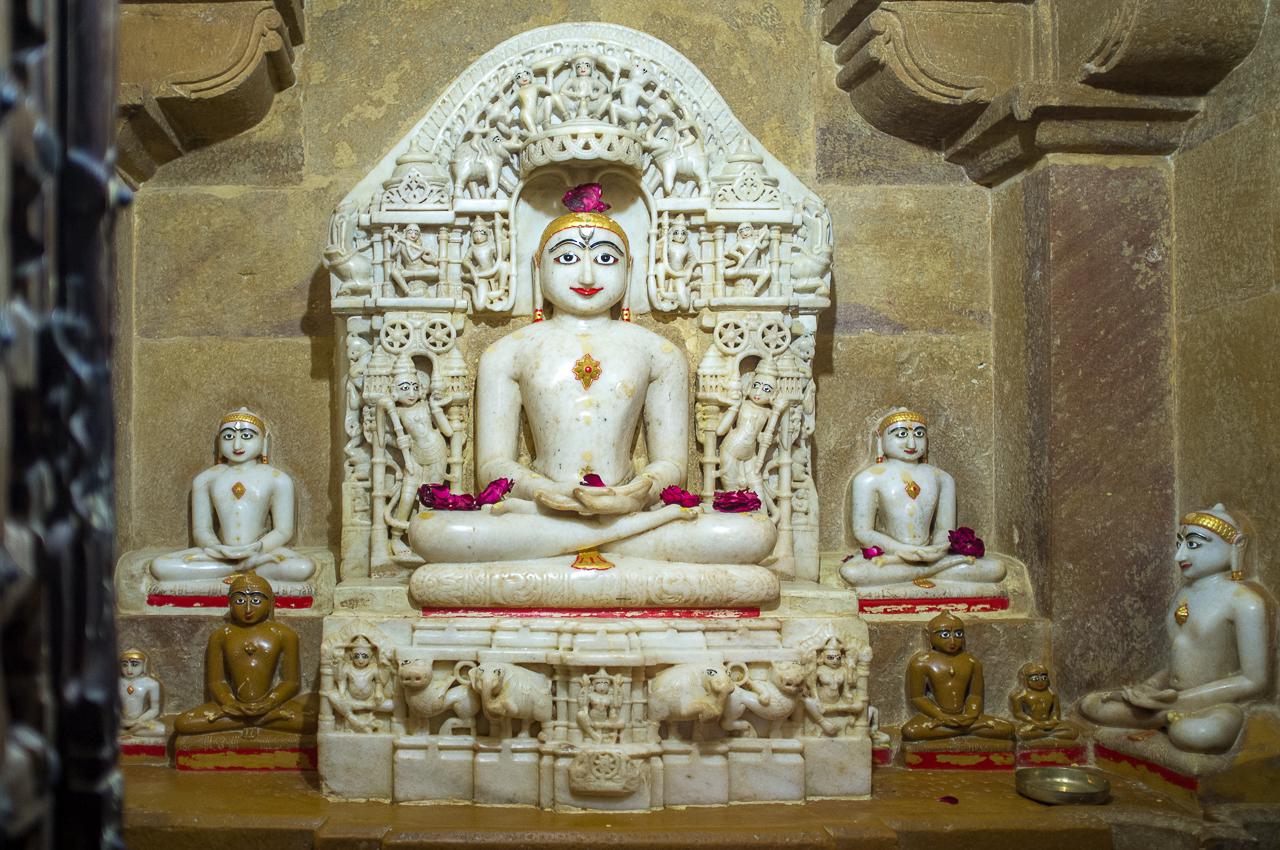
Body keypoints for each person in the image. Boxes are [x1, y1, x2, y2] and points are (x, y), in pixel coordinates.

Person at [408, 184, 775, 567]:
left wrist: (637, 492)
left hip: (630, 513)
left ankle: (584, 540)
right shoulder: (507, 353)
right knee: (433, 531)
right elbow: (493, 469)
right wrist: (547, 494)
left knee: (751, 533)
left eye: (605, 258)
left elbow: (671, 466)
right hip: (541, 512)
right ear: (539, 267)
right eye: (567, 257)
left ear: (628, 269)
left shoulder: (659, 353)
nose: (586, 274)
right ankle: (604, 540)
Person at [1078, 504, 1271, 753]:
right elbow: (1183, 658)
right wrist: (1150, 687)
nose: (1179, 556)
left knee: (1198, 733)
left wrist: (1177, 702)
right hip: (1169, 695)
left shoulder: (1246, 602)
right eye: (1179, 544)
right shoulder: (1185, 592)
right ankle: (1164, 718)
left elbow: (1254, 681)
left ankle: (1165, 717)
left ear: (1237, 545)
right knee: (1091, 704)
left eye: (1193, 544)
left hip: (1219, 703)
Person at [840, 409, 1005, 589]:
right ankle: (933, 570)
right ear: (880, 438)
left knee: (997, 568)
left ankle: (921, 571)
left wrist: (936, 551)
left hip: (929, 557)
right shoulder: (868, 479)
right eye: (901, 434)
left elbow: (945, 530)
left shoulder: (942, 478)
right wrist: (904, 551)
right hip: (893, 555)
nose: (911, 443)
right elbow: (863, 532)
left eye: (919, 434)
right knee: (852, 572)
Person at [149, 409, 315, 584]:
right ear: (219, 441)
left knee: (302, 567)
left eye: (247, 436)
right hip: (220, 555)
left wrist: (258, 548)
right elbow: (202, 530)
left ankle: (235, 569)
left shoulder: (278, 479)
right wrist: (216, 548)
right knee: (160, 566)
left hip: (261, 553)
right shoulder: (206, 479)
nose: (237, 445)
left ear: (264, 442)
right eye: (228, 437)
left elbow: (283, 531)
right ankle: (240, 568)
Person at [174, 572, 311, 734]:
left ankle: (251, 720)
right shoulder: (221, 635)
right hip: (233, 709)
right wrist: (231, 704)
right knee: (183, 723)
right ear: (230, 604)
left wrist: (269, 703)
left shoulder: (285, 635)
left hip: (271, 706)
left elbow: (291, 682)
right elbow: (216, 682)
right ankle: (261, 720)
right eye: (239, 601)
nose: (248, 609)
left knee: (312, 722)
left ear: (269, 603)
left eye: (256, 601)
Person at [901, 612, 1013, 741]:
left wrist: (970, 715)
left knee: (1008, 729)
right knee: (910, 731)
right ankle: (967, 730)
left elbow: (975, 695)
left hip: (965, 717)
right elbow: (918, 698)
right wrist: (941, 716)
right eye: (945, 635)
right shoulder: (921, 663)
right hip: (938, 717)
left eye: (958, 634)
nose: (953, 641)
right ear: (928, 636)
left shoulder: (972, 662)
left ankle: (959, 729)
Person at [119, 649, 165, 737]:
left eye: (134, 664)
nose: (129, 669)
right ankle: (130, 732)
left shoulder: (151, 684)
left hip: (141, 722)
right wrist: (121, 721)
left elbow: (154, 709)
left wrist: (138, 721)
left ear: (144, 665)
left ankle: (128, 732)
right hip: (120, 722)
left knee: (161, 730)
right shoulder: (115, 683)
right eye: (125, 665)